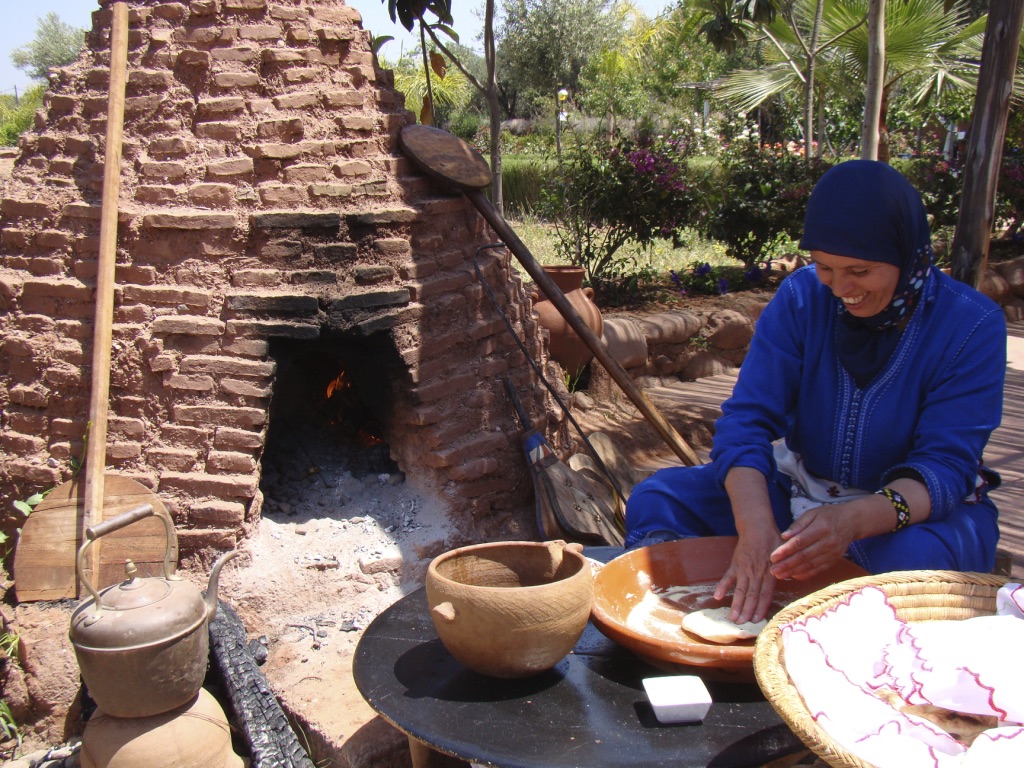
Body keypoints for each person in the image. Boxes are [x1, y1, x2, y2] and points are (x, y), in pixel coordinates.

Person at [624, 160, 1006, 626]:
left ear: (905, 256)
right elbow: (746, 422)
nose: (843, 289)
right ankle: (680, 614)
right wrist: (757, 528)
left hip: (909, 517)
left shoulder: (970, 326)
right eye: (825, 267)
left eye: (860, 271)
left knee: (906, 564)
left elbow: (945, 468)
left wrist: (852, 522)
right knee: (659, 498)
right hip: (801, 490)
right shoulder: (803, 299)